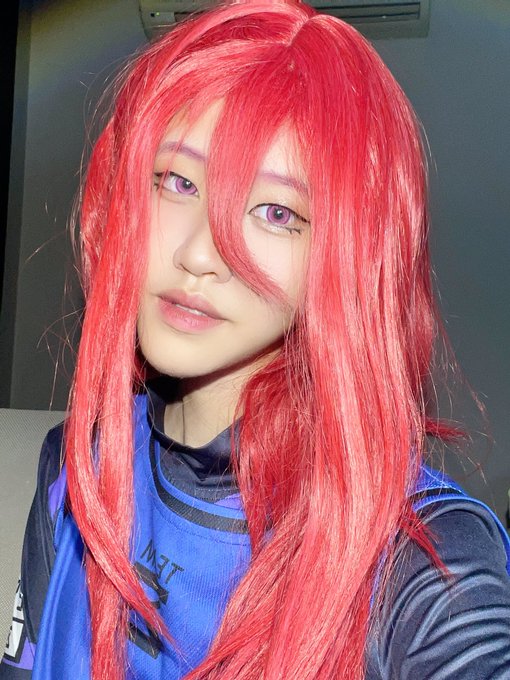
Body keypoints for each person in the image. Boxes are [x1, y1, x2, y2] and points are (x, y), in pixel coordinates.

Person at [1, 1, 510, 678]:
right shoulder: (75, 464)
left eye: (275, 212)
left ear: (344, 255)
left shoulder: (423, 559)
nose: (198, 253)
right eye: (178, 181)